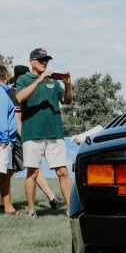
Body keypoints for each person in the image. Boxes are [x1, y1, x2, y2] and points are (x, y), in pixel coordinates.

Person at [16, 48, 73, 218]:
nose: (44, 62)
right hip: (32, 133)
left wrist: (67, 84)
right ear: (31, 61)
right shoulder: (23, 79)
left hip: (54, 133)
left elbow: (67, 101)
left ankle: (71, 210)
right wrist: (39, 80)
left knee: (62, 172)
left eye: (46, 60)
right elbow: (20, 97)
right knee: (32, 173)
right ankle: (32, 211)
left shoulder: (55, 83)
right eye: (40, 59)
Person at [7, 65, 66, 212]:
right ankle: (52, 198)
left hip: (11, 137)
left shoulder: (10, 92)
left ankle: (52, 198)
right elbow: (17, 120)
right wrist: (26, 137)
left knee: (11, 172)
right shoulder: (15, 94)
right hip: (20, 136)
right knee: (32, 170)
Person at [0, 65, 18, 214]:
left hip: (3, 141)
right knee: (3, 174)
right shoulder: (1, 93)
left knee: (5, 173)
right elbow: (2, 118)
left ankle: (8, 207)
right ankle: (8, 208)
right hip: (3, 141)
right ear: (6, 77)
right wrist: (5, 139)